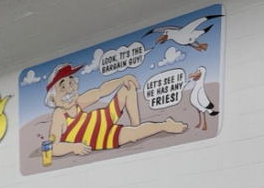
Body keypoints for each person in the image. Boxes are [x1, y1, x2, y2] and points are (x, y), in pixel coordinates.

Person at [45, 62, 186, 158]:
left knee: (128, 86)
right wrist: (74, 147)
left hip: (103, 118)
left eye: (71, 83)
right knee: (133, 135)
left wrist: (122, 79)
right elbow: (54, 148)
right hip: (101, 137)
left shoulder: (78, 102)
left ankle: (137, 124)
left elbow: (101, 91)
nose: (69, 89)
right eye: (62, 87)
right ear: (53, 99)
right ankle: (165, 125)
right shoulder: (59, 114)